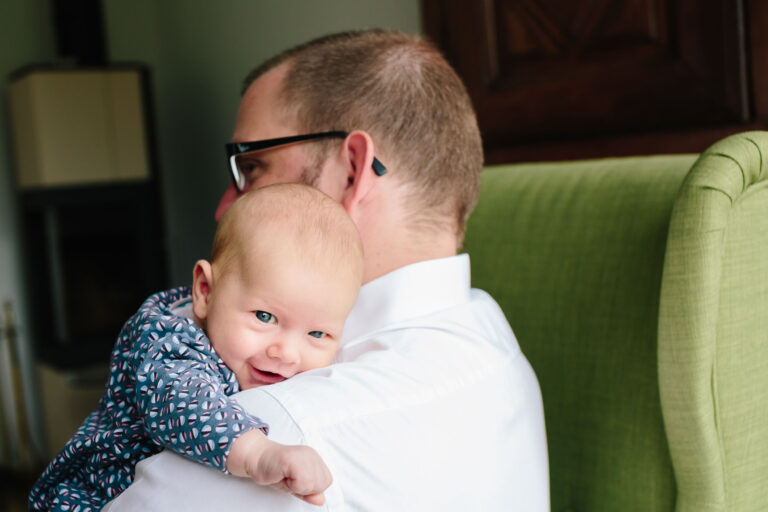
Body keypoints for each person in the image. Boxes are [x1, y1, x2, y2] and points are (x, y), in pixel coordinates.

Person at [106, 29, 550, 511]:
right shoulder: (495, 345)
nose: (223, 206)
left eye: (251, 168)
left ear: (353, 170)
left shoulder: (274, 437)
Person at [29, 184, 364, 511]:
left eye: (317, 333)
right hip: (89, 497)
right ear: (205, 291)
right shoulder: (168, 340)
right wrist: (259, 454)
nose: (286, 353)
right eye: (265, 317)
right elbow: (183, 403)